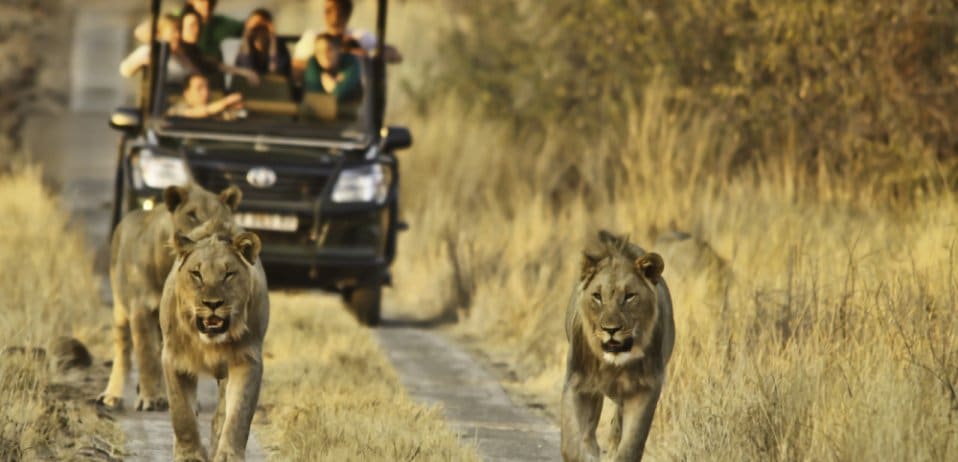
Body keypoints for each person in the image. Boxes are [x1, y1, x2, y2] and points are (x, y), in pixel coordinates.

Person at [291, 0, 402, 77]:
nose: (329, 15)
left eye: (333, 10)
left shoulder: (360, 37)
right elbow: (296, 66)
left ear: (347, 12)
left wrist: (364, 55)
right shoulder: (312, 37)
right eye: (327, 10)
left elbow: (395, 55)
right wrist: (324, 60)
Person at [178, 5, 260, 86]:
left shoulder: (194, 51)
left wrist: (245, 72)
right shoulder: (178, 51)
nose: (196, 30)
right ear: (181, 28)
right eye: (192, 25)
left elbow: (214, 65)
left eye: (198, 25)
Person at [119, 14, 193, 80]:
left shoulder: (184, 52)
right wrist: (144, 59)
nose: (178, 35)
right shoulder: (154, 52)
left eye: (179, 30)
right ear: (160, 33)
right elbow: (125, 70)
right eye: (174, 30)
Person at [303, 33, 361, 102]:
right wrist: (336, 87)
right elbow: (315, 95)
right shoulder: (313, 62)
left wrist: (334, 88)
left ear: (339, 50)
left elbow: (342, 93)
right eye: (319, 51)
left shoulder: (350, 61)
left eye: (329, 50)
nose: (324, 55)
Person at [234, 8, 291, 76]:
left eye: (263, 27)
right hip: (251, 85)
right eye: (255, 28)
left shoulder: (279, 44)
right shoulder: (246, 45)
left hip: (273, 84)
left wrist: (273, 40)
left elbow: (275, 72)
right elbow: (247, 71)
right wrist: (246, 37)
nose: (259, 31)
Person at [167, 73, 244, 118]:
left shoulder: (217, 109)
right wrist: (225, 102)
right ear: (186, 93)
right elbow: (194, 113)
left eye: (207, 88)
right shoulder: (176, 110)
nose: (206, 92)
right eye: (199, 88)